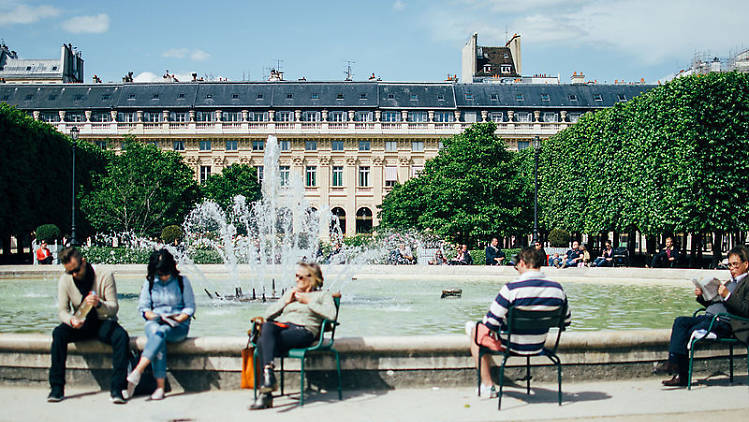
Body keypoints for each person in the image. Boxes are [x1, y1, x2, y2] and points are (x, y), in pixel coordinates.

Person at [467, 247, 571, 397]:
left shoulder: (511, 288)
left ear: (522, 263)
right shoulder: (557, 289)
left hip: (511, 345)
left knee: (475, 330)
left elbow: (490, 323)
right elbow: (566, 321)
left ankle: (488, 385)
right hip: (539, 345)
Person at [655, 245, 749, 386]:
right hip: (710, 318)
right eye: (729, 265)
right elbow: (716, 304)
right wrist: (702, 296)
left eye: (735, 264)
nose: (731, 268)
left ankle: (681, 373)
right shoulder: (729, 282)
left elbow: (745, 309)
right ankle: (674, 362)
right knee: (680, 321)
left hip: (725, 323)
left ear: (746, 264)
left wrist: (727, 295)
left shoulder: (747, 283)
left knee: (690, 330)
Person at [48, 247, 130, 404]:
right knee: (58, 333)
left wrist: (99, 304)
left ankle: (117, 389)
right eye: (69, 271)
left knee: (121, 337)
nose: (73, 274)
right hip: (81, 323)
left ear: (84, 262)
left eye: (76, 270)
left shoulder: (104, 275)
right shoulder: (65, 279)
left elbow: (114, 307)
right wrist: (71, 320)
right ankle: (56, 388)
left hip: (103, 321)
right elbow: (62, 311)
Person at [250, 262, 337, 410]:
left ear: (312, 278)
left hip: (304, 331)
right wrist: (285, 301)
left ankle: (266, 394)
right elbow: (267, 315)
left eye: (300, 277)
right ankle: (268, 377)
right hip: (284, 328)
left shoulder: (322, 295)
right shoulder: (291, 293)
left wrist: (309, 302)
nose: (296, 280)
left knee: (262, 343)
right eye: (296, 276)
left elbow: (332, 315)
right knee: (267, 327)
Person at [127, 249, 196, 400]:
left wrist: (177, 319)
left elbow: (189, 308)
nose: (163, 277)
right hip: (155, 322)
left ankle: (139, 372)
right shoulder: (150, 282)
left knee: (160, 333)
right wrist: (155, 316)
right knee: (158, 332)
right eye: (160, 274)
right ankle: (158, 387)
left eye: (166, 273)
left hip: (178, 325)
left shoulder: (182, 282)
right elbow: (144, 309)